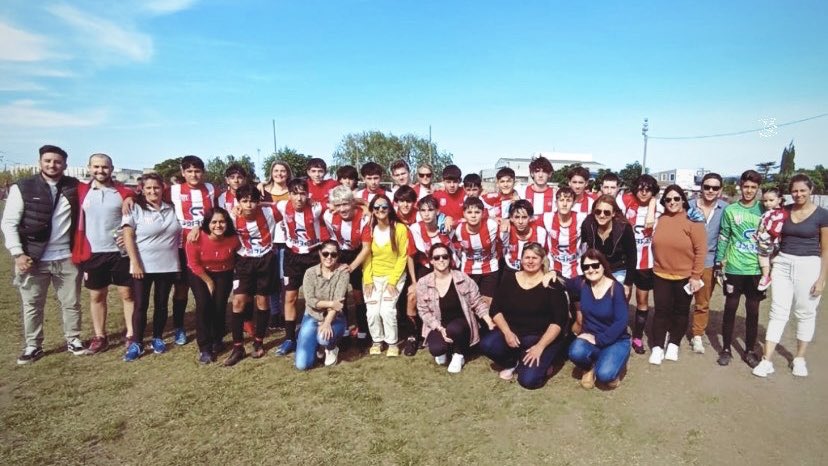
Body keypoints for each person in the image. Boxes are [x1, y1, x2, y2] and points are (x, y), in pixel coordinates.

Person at [2, 144, 87, 364]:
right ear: (40, 162)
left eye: (57, 161)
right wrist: (18, 254)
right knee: (32, 304)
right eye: (48, 160)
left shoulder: (73, 186)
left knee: (71, 302)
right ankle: (33, 345)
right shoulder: (23, 186)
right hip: (33, 258)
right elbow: (9, 223)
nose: (52, 165)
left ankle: (73, 339)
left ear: (65, 165)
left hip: (66, 257)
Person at [753, 174, 828, 378]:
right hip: (783, 262)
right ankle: (766, 360)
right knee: (778, 312)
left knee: (805, 312)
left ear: (811, 190)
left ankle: (799, 358)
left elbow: (826, 250)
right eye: (795, 191)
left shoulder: (822, 214)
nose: (799, 194)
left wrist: (821, 279)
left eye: (803, 190)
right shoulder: (783, 211)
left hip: (810, 264)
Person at [479, 242, 569, 389]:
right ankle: (513, 362)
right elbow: (495, 309)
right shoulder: (510, 279)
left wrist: (540, 347)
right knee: (488, 344)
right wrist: (507, 332)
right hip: (515, 335)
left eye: (535, 257)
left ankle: (545, 362)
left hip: (542, 338)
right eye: (527, 257)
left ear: (542, 260)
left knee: (528, 381)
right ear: (521, 260)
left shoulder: (551, 283)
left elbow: (558, 321)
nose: (530, 261)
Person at [72, 153, 136, 354]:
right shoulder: (81, 191)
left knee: (127, 293)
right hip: (93, 252)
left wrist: (130, 197)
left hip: (120, 252)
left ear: (112, 168)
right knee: (97, 295)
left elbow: (136, 204)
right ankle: (100, 336)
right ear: (89, 167)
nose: (101, 171)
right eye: (96, 167)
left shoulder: (123, 192)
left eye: (105, 167)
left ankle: (131, 334)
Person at [121, 173, 182, 361]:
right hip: (142, 266)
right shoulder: (135, 208)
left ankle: (157, 337)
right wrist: (135, 263)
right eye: (148, 188)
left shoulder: (171, 208)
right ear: (142, 189)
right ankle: (137, 343)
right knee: (141, 305)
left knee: (161, 305)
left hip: (168, 265)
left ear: (163, 188)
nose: (153, 191)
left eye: (156, 187)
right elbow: (128, 237)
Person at [223, 185, 284, 366]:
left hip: (265, 259)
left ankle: (258, 342)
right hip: (244, 261)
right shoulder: (232, 216)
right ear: (238, 202)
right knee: (238, 302)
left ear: (258, 202)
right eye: (245, 201)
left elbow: (289, 205)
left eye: (252, 201)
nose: (249, 205)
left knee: (262, 301)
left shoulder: (269, 211)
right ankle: (237, 346)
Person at [648, 185, 706, 364]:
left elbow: (701, 251)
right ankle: (657, 347)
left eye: (676, 199)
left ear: (683, 200)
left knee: (681, 312)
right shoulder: (660, 219)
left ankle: (674, 344)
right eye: (668, 199)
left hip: (685, 276)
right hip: (661, 274)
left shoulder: (693, 222)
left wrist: (696, 276)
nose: (672, 202)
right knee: (661, 311)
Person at [417, 244, 495, 373]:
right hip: (438, 324)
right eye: (436, 257)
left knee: (454, 329)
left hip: (461, 323)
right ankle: (446, 348)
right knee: (437, 349)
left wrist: (488, 320)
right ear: (431, 261)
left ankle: (458, 354)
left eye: (444, 256)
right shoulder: (423, 283)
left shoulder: (462, 278)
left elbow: (477, 302)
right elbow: (423, 311)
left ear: (450, 259)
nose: (441, 260)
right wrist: (439, 328)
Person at [715, 170, 764, 368]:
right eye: (746, 186)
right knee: (730, 309)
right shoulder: (730, 210)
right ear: (740, 187)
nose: (749, 191)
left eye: (753, 187)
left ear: (758, 189)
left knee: (753, 311)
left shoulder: (764, 209)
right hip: (734, 269)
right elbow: (724, 237)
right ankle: (726, 349)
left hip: (756, 270)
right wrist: (720, 264)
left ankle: (749, 350)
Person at [166, 155, 216, 346]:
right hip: (181, 245)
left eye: (197, 171)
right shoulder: (174, 190)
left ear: (202, 172)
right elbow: (146, 193)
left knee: (207, 286)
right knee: (181, 288)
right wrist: (130, 197)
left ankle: (209, 323)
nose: (194, 175)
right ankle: (179, 326)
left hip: (205, 246)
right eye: (189, 171)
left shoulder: (210, 189)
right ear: (182, 172)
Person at [274, 178, 325, 356]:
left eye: (302, 193)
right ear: (289, 194)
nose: (299, 198)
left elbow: (335, 205)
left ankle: (320, 336)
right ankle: (289, 338)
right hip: (292, 256)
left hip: (313, 255)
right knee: (290, 297)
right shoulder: (282, 206)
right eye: (295, 193)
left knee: (318, 296)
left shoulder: (316, 208)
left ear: (308, 194)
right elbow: (263, 204)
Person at [567, 249, 630, 389]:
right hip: (591, 337)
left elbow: (622, 321)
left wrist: (599, 340)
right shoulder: (582, 283)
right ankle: (589, 368)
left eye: (595, 265)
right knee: (575, 352)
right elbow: (563, 282)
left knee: (605, 376)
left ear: (603, 265)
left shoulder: (616, 288)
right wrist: (552, 274)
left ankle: (613, 363)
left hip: (616, 340)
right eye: (586, 267)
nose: (591, 270)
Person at [185, 207, 239, 364]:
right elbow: (193, 263)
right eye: (214, 222)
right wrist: (208, 281)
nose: (218, 225)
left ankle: (217, 338)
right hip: (200, 273)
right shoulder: (196, 238)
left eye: (222, 221)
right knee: (204, 305)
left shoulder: (234, 238)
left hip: (224, 273)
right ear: (207, 223)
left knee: (219, 305)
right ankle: (205, 347)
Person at [363, 194, 409, 356]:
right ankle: (377, 340)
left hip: (394, 276)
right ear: (372, 210)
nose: (381, 210)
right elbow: (367, 256)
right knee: (373, 311)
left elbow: (403, 256)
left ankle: (392, 343)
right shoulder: (369, 229)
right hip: (373, 276)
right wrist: (368, 280)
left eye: (384, 207)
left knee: (387, 310)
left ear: (389, 209)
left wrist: (392, 281)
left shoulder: (400, 229)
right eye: (376, 207)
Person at [323, 186, 371, 342]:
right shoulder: (329, 217)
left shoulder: (364, 218)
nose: (342, 209)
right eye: (338, 205)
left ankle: (363, 330)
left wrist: (352, 267)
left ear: (352, 203)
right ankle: (342, 330)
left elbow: (366, 248)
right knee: (340, 293)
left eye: (345, 204)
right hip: (341, 253)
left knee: (358, 294)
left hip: (358, 254)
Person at [621, 174, 661, 354]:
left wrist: (653, 204)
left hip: (646, 263)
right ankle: (620, 332)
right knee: (623, 298)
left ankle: (637, 337)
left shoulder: (659, 207)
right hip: (627, 261)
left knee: (642, 300)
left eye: (648, 190)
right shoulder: (627, 201)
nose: (643, 192)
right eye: (640, 188)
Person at [295, 241, 350, 370]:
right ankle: (314, 345)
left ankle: (330, 348)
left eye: (333, 254)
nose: (329, 257)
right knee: (302, 365)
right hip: (312, 315)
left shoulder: (343, 273)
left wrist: (327, 323)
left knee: (323, 338)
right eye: (325, 253)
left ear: (338, 256)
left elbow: (339, 301)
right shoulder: (310, 273)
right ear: (320, 253)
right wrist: (331, 303)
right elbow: (310, 301)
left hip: (334, 317)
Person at [689, 173, 728, 354]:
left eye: (715, 187)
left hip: (708, 261)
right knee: (680, 300)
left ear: (720, 190)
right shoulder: (688, 206)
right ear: (701, 187)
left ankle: (697, 334)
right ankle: (673, 332)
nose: (710, 190)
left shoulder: (725, 209)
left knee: (702, 302)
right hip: (686, 260)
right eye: (707, 187)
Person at [579, 194, 637, 299]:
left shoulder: (624, 228)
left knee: (617, 302)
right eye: (598, 211)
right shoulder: (588, 225)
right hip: (596, 269)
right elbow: (583, 251)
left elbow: (632, 257)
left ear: (613, 213)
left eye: (606, 212)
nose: (602, 215)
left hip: (618, 269)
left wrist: (627, 284)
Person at [258, 160, 292, 330]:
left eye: (283, 171)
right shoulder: (263, 191)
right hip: (269, 240)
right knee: (271, 278)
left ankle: (287, 313)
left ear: (288, 173)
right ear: (271, 173)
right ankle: (274, 313)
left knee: (285, 278)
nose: (279, 174)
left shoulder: (293, 190)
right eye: (276, 170)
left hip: (288, 240)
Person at [450, 197, 502, 306]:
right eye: (469, 212)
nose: (473, 215)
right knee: (469, 304)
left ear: (483, 213)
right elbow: (451, 244)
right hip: (468, 270)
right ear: (464, 214)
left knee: (486, 304)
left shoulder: (492, 226)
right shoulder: (458, 229)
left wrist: (506, 221)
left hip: (490, 269)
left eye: (477, 212)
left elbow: (503, 242)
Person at [542, 187, 586, 280]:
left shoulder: (582, 218)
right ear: (556, 203)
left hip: (577, 271)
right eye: (561, 200)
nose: (565, 204)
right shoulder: (547, 217)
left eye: (568, 200)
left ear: (574, 203)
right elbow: (527, 220)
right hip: (554, 270)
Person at [500, 200, 549, 280]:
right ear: (511, 218)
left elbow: (544, 255)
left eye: (524, 217)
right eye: (516, 217)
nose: (520, 222)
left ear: (530, 218)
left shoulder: (540, 232)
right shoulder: (506, 231)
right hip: (511, 270)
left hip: (533, 271)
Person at [755, 187, 788, 291]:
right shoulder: (771, 212)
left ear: (779, 199)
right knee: (770, 258)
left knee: (762, 256)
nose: (767, 203)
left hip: (770, 240)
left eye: (771, 200)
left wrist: (764, 234)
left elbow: (775, 230)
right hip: (766, 238)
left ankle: (765, 277)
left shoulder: (780, 214)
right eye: (765, 201)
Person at [432, 164, 465, 230]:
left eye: (455, 182)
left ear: (460, 181)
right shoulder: (436, 195)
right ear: (443, 181)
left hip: (462, 232)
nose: (452, 185)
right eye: (448, 182)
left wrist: (454, 222)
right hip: (443, 234)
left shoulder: (466, 193)